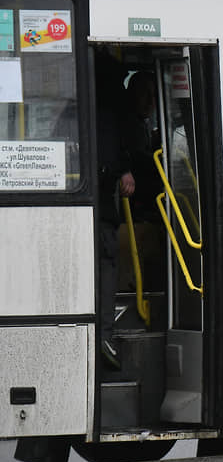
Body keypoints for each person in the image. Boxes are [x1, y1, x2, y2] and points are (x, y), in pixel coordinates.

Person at [96, 67, 157, 370]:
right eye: (144, 94)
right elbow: (140, 174)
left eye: (153, 95)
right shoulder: (117, 121)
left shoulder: (140, 127)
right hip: (119, 214)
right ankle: (105, 334)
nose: (150, 101)